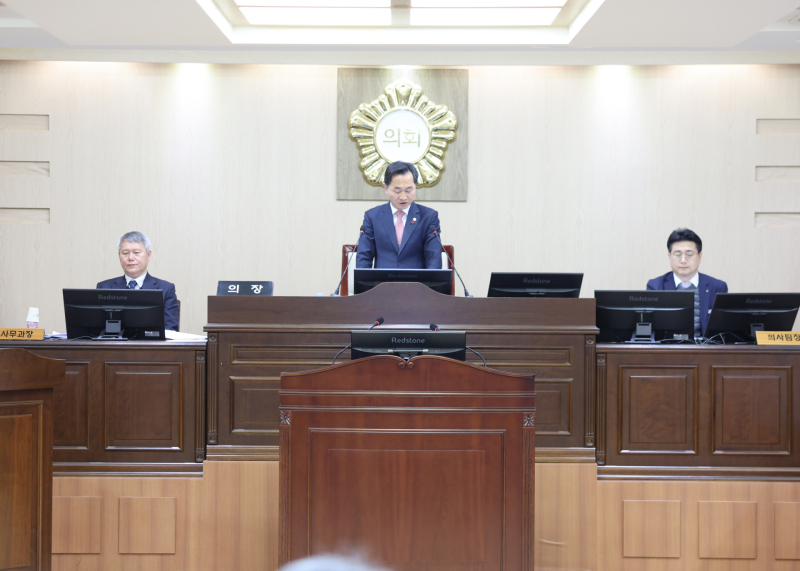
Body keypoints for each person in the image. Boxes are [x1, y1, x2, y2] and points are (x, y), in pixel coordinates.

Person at [356, 161, 443, 269]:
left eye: (408, 190)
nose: (403, 197)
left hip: (417, 280)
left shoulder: (428, 217)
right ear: (386, 188)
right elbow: (364, 257)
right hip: (382, 280)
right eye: (397, 191)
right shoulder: (372, 216)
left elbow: (433, 258)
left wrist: (430, 281)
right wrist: (364, 279)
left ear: (415, 186)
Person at [646, 228, 728, 337]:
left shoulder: (717, 287)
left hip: (705, 347)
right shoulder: (656, 286)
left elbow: (723, 331)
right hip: (668, 346)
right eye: (677, 254)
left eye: (689, 254)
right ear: (669, 257)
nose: (683, 260)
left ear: (700, 256)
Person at [97, 231, 179, 331]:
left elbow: (170, 329)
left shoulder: (166, 289)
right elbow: (97, 328)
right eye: (125, 253)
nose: (130, 258)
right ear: (119, 256)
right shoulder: (104, 287)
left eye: (136, 252)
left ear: (148, 255)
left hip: (151, 341)